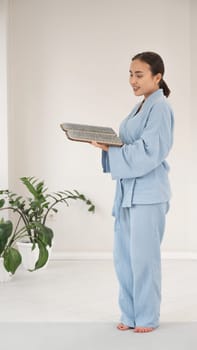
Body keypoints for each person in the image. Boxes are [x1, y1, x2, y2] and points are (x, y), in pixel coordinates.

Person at [91, 51, 174, 333]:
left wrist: (113, 150)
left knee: (144, 259)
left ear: (157, 77)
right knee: (123, 257)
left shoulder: (160, 108)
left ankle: (147, 317)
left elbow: (151, 152)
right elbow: (128, 143)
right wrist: (108, 145)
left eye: (139, 75)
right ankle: (129, 314)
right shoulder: (140, 106)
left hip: (149, 194)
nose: (132, 80)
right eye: (130, 74)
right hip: (127, 193)